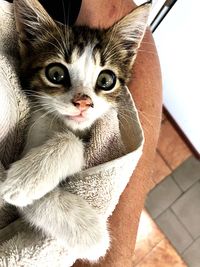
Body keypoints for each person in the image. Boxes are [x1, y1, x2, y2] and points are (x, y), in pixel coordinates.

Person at [3, 0, 162, 266]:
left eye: (104, 81)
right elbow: (25, 192)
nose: (83, 102)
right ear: (29, 42)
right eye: (57, 74)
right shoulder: (39, 115)